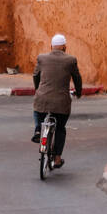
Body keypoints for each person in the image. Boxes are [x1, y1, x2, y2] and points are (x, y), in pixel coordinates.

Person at [32, 33, 82, 169]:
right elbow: (77, 78)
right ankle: (58, 158)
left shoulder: (41, 58)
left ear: (51, 47)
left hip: (42, 98)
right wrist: (79, 92)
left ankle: (38, 130)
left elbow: (35, 75)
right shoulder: (71, 60)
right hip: (61, 102)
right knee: (60, 128)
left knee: (38, 112)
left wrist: (38, 89)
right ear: (65, 47)